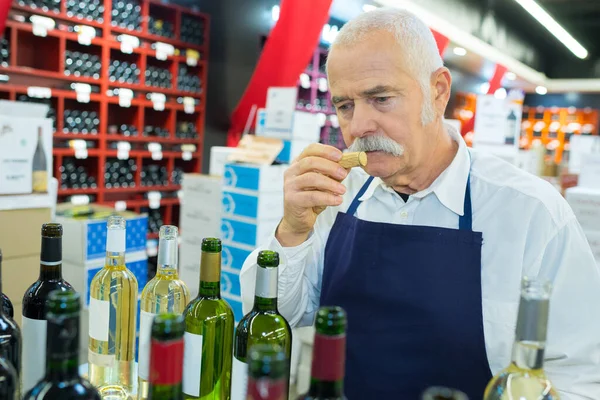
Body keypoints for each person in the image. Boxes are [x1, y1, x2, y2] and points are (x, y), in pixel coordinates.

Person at [240, 7, 600, 400]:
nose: (358, 126)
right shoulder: (334, 196)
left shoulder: (530, 212)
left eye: (380, 98)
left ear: (439, 91)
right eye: (345, 105)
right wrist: (292, 231)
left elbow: (579, 377)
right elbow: (280, 319)